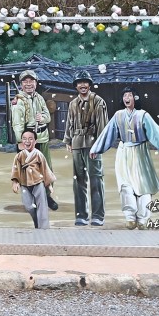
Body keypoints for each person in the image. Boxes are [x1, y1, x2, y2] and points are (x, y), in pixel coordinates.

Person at [90, 86, 159, 229]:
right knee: (125, 186)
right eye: (124, 96)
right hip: (123, 152)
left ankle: (143, 218)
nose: (126, 98)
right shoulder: (118, 115)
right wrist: (96, 148)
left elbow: (155, 133)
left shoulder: (143, 115)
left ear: (135, 98)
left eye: (129, 95)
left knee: (143, 186)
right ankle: (130, 217)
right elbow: (108, 133)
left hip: (140, 152)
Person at [64, 70, 108, 226]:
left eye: (85, 82)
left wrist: (99, 146)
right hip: (76, 143)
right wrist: (68, 140)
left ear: (89, 84)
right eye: (79, 82)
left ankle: (98, 215)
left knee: (96, 179)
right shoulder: (73, 104)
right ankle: (81, 215)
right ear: (76, 86)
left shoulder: (98, 102)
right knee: (79, 180)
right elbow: (69, 123)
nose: (82, 85)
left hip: (92, 143)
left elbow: (102, 126)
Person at [11, 69, 58, 210]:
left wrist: (42, 118)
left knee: (46, 168)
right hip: (28, 142)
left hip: (42, 138)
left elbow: (48, 117)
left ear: (36, 83)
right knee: (29, 171)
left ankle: (47, 196)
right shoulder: (19, 101)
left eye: (31, 81)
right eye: (25, 81)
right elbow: (17, 124)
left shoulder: (39, 98)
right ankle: (32, 200)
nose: (28, 84)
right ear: (21, 84)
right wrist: (21, 141)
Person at [11, 129, 57, 229]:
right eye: (24, 139)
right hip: (24, 183)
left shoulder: (39, 155)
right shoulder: (19, 156)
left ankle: (44, 229)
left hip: (38, 182)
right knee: (29, 206)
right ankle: (37, 222)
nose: (27, 141)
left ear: (35, 141)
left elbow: (45, 170)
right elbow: (15, 170)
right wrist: (15, 182)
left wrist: (49, 186)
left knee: (42, 207)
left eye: (30, 139)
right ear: (22, 141)